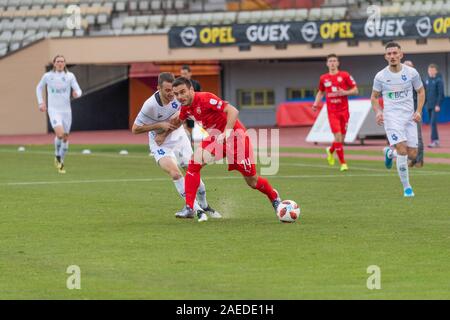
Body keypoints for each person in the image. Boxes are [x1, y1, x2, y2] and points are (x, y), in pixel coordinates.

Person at [169, 77, 281, 222]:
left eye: (182, 92)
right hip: (216, 140)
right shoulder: (185, 108)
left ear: (191, 90)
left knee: (252, 181)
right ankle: (190, 208)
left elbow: (233, 111)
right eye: (176, 94)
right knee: (193, 164)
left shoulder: (206, 98)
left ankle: (274, 197)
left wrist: (227, 132)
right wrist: (162, 132)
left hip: (236, 139)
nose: (179, 97)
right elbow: (178, 120)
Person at [132, 72, 221, 220]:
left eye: (172, 90)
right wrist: (159, 125)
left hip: (179, 137)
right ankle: (195, 210)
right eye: (167, 90)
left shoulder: (178, 98)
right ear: (158, 88)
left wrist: (165, 132)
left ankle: (205, 205)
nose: (171, 94)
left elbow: (180, 118)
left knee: (192, 170)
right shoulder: (149, 105)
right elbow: (135, 129)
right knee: (175, 173)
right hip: (159, 143)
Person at [371, 42, 425, 197]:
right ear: (385, 56)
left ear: (401, 55)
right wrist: (378, 112)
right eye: (389, 54)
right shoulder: (380, 76)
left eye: (395, 53)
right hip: (391, 118)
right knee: (402, 150)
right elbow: (374, 97)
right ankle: (407, 188)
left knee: (413, 154)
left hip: (409, 118)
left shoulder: (411, 73)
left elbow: (420, 91)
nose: (392, 56)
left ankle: (389, 153)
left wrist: (419, 111)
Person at [36, 54, 82, 174]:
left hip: (66, 111)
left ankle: (60, 161)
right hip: (54, 110)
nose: (60, 63)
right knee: (60, 134)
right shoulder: (48, 76)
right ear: (54, 63)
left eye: (62, 61)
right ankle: (57, 155)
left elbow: (78, 89)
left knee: (66, 137)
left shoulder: (70, 76)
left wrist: (77, 93)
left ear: (64, 63)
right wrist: (41, 103)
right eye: (58, 61)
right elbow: (39, 88)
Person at [312, 54, 359, 172]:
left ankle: (331, 150)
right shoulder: (323, 78)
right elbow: (321, 92)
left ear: (338, 63)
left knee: (341, 139)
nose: (332, 63)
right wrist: (315, 104)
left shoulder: (345, 75)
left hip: (344, 111)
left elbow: (355, 90)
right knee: (337, 136)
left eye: (334, 61)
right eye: (330, 61)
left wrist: (345, 92)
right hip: (332, 112)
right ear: (327, 64)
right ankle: (343, 163)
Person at [403, 60, 424, 167]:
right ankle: (411, 159)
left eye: (409, 67)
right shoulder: (400, 80)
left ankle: (419, 160)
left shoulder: (417, 79)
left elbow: (423, 94)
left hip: (415, 111)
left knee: (418, 137)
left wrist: (419, 111)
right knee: (406, 138)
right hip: (404, 112)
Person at [424, 63, 445, 148]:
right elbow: (425, 93)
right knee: (431, 123)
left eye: (432, 70)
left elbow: (441, 94)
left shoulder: (439, 80)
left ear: (436, 71)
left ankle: (435, 141)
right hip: (428, 105)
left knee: (433, 123)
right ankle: (435, 140)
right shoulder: (427, 80)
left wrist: (438, 105)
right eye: (429, 70)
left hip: (435, 106)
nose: (430, 72)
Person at [180, 65, 201, 146]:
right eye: (182, 74)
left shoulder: (196, 84)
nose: (183, 76)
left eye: (185, 73)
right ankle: (186, 143)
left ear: (190, 73)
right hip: (183, 108)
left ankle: (196, 142)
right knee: (184, 125)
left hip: (194, 109)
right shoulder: (178, 84)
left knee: (196, 125)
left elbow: (199, 96)